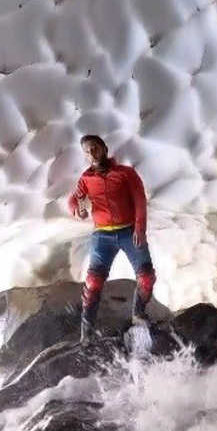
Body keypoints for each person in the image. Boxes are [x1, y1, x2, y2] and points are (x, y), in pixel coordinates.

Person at [66, 134, 156, 341]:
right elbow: (74, 198)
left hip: (129, 231)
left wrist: (140, 229)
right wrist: (75, 210)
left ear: (104, 148)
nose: (91, 154)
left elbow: (139, 200)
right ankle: (86, 333)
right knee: (93, 281)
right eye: (87, 151)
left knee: (146, 277)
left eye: (94, 148)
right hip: (102, 235)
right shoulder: (86, 179)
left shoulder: (125, 173)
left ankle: (138, 314)